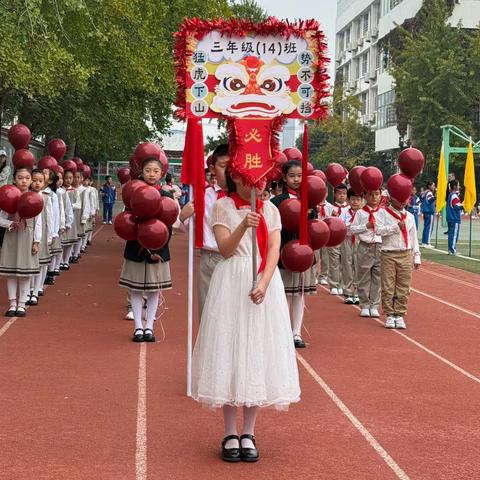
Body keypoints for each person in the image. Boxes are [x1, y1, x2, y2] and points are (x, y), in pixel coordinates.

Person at [191, 171, 300, 463]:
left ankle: (249, 432)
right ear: (235, 178)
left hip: (263, 281)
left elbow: (274, 248)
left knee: (256, 351)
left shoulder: (271, 209)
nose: (256, 184)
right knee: (230, 349)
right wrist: (243, 224)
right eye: (249, 179)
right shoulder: (221, 206)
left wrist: (264, 283)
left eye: (261, 179)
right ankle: (229, 432)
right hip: (231, 280)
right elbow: (225, 250)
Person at [118, 157, 174, 342]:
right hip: (136, 247)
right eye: (148, 170)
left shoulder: (166, 196)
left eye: (155, 171)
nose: (152, 174)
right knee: (135, 289)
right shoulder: (134, 193)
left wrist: (160, 246)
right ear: (142, 172)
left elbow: (168, 224)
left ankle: (149, 326)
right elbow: (128, 220)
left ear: (162, 174)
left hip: (158, 249)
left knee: (153, 290)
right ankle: (138, 328)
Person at [271, 159, 317, 349]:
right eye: (292, 176)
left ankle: (296, 332)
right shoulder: (276, 202)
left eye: (300, 176)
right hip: (284, 253)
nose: (296, 179)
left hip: (304, 254)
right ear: (284, 177)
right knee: (284, 295)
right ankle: (281, 331)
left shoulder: (310, 201)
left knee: (299, 294)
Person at [179, 143, 229, 315]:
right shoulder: (203, 196)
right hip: (211, 257)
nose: (228, 171)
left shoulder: (245, 196)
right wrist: (183, 216)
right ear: (213, 169)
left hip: (236, 258)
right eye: (223, 166)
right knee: (208, 310)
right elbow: (186, 227)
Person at [0, 168, 42, 317]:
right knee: (11, 273)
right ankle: (12, 303)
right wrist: (10, 224)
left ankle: (22, 304)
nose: (23, 181)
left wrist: (37, 241)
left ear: (30, 180)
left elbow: (38, 222)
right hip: (12, 236)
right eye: (20, 178)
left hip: (27, 237)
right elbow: (1, 218)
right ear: (14, 180)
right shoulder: (9, 197)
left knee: (25, 273)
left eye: (27, 178)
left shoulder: (34, 198)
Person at [376, 195, 421, 329]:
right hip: (389, 253)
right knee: (388, 285)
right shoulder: (383, 213)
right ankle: (389, 314)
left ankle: (399, 314)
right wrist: (396, 227)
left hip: (405, 253)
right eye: (399, 198)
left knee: (404, 286)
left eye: (405, 198)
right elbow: (378, 230)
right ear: (392, 198)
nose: (402, 202)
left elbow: (414, 238)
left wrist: (416, 256)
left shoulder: (410, 216)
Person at [350, 189, 383, 318]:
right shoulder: (360, 213)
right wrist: (366, 226)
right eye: (370, 194)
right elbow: (352, 229)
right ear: (365, 196)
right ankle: (364, 304)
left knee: (378, 276)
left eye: (376, 194)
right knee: (363, 276)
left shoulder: (383, 212)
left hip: (379, 245)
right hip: (365, 246)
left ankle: (374, 305)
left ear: (381, 196)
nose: (374, 197)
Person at [29, 169, 53, 303]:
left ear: (44, 183)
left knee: (40, 263)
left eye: (40, 181)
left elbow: (50, 218)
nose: (37, 183)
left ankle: (36, 290)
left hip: (42, 235)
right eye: (34, 180)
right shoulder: (25, 196)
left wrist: (50, 236)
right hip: (28, 234)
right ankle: (29, 289)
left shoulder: (46, 198)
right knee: (30, 263)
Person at [339, 189, 363, 304]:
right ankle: (348, 292)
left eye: (358, 200)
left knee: (359, 265)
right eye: (353, 199)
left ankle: (358, 292)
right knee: (347, 265)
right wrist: (351, 225)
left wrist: (353, 227)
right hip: (347, 240)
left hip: (359, 240)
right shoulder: (344, 212)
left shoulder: (363, 213)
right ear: (348, 200)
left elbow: (365, 227)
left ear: (362, 201)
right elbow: (341, 225)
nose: (355, 202)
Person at [326, 184, 349, 295]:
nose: (342, 196)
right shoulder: (330, 207)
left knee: (345, 261)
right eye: (339, 193)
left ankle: (342, 284)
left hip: (346, 237)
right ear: (334, 194)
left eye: (344, 194)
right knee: (334, 261)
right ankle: (334, 284)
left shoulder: (349, 209)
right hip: (334, 237)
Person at [61, 169, 78, 269]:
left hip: (71, 219)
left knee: (69, 242)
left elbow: (78, 204)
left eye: (70, 178)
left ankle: (66, 260)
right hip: (61, 219)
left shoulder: (74, 191)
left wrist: (71, 206)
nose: (68, 180)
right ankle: (61, 261)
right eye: (66, 178)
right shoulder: (60, 191)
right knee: (62, 242)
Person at [316, 196, 332, 285]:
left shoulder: (330, 206)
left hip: (326, 233)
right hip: (316, 233)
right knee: (316, 255)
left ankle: (324, 276)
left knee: (325, 256)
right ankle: (314, 275)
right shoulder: (314, 205)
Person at [446, 179, 463, 255]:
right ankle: (452, 250)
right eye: (458, 185)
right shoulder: (454, 195)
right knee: (454, 235)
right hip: (454, 218)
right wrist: (464, 206)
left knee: (451, 234)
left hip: (451, 217)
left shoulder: (451, 194)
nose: (459, 186)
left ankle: (450, 249)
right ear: (454, 186)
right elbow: (456, 206)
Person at [421, 181, 436, 248]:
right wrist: (435, 196)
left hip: (425, 211)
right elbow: (430, 200)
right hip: (429, 211)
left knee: (426, 227)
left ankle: (424, 242)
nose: (434, 187)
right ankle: (427, 242)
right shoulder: (429, 192)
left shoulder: (425, 192)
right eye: (433, 185)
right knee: (429, 227)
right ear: (429, 186)